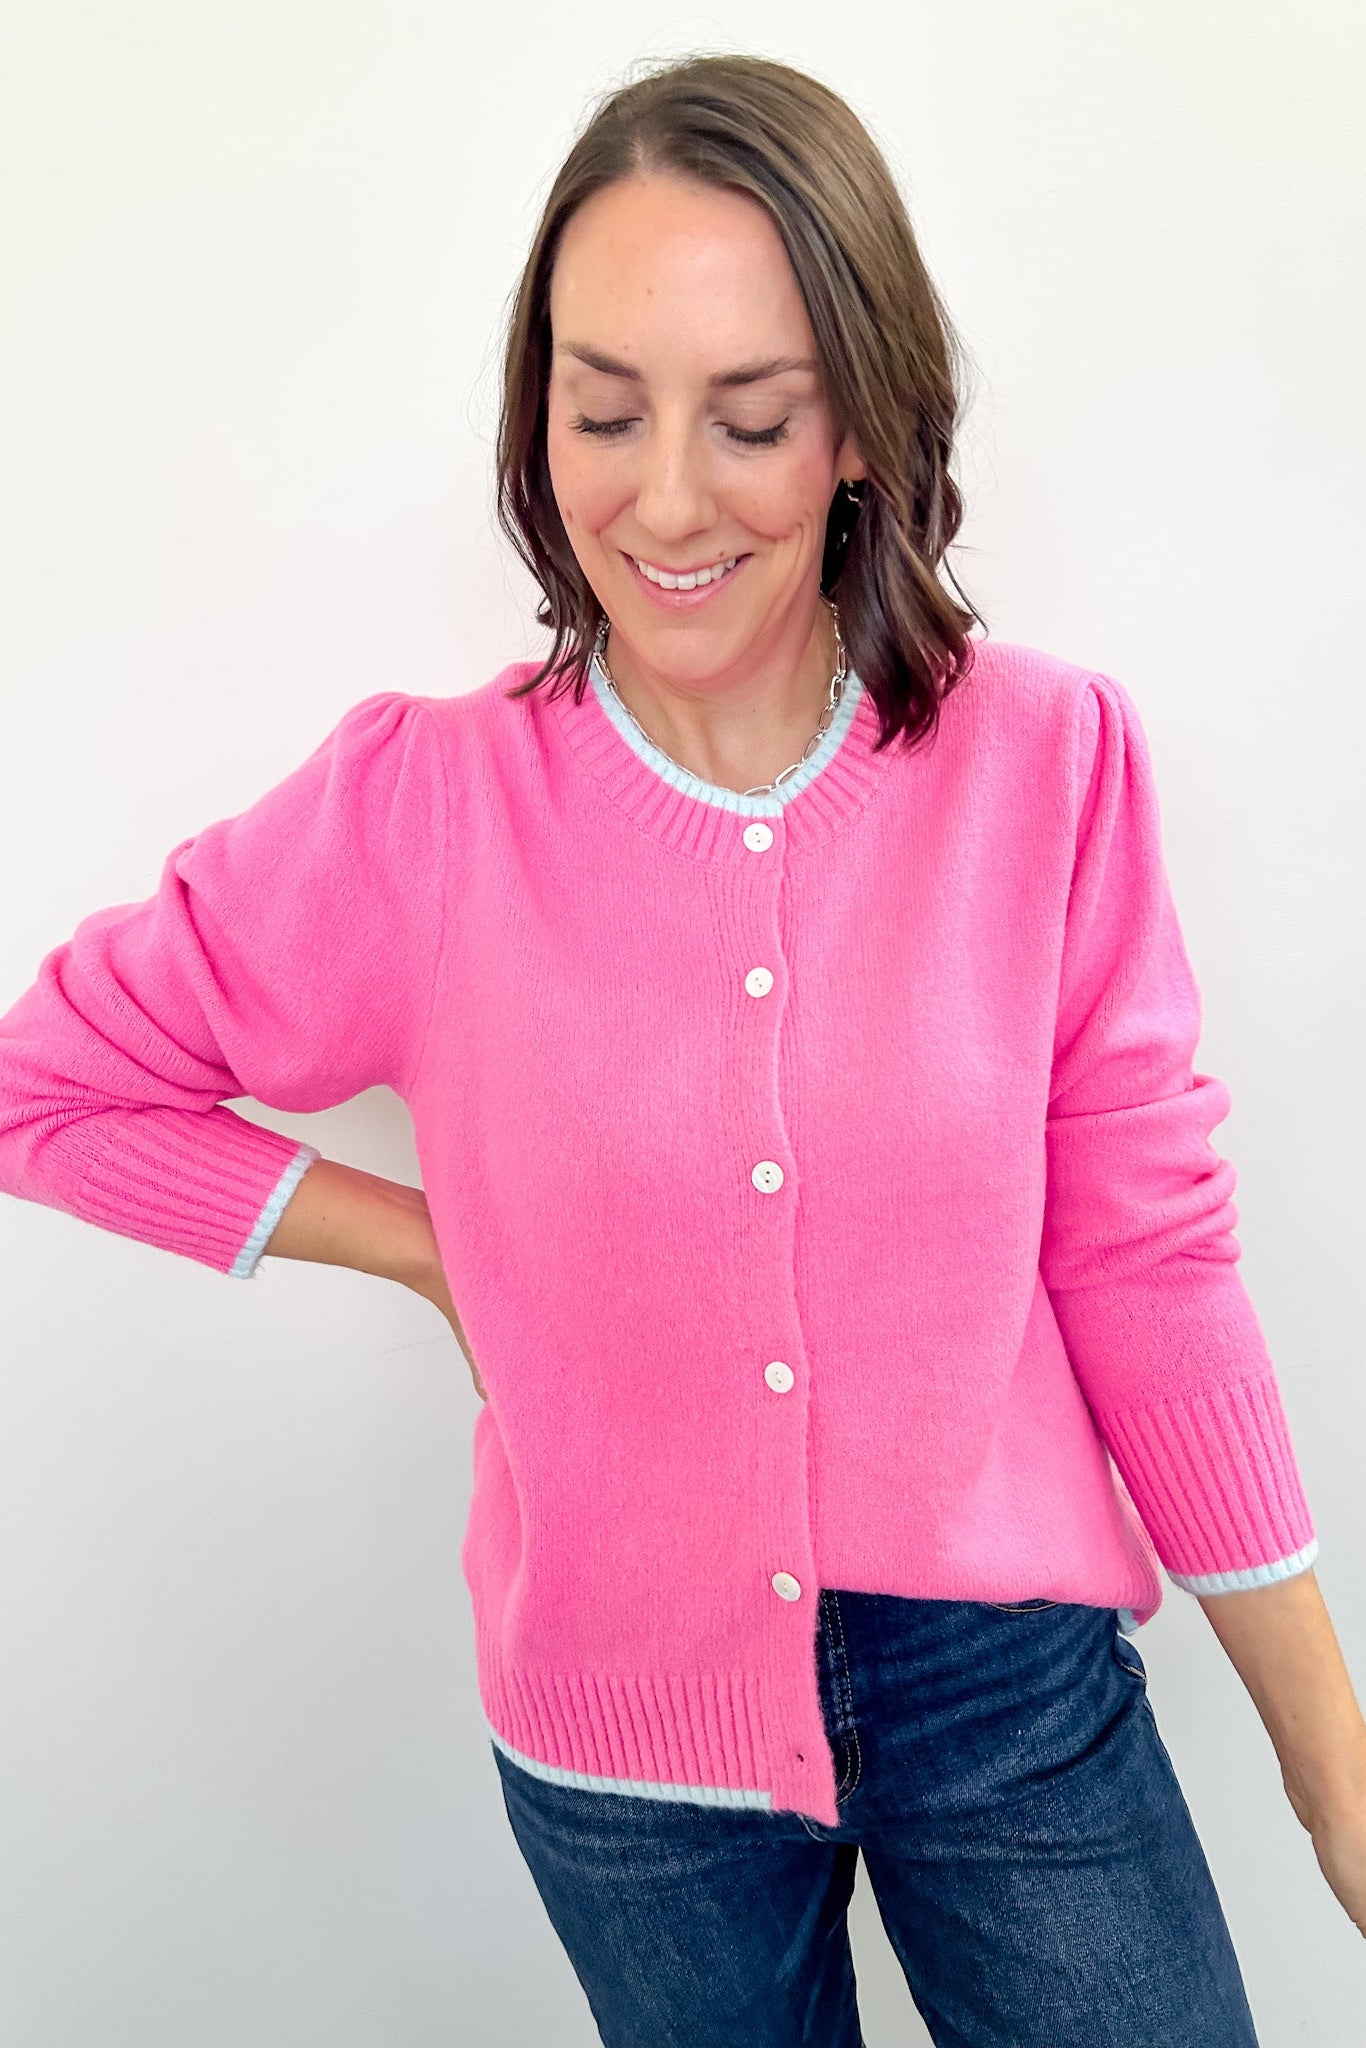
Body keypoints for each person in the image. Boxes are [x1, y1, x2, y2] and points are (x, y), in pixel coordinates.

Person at [1, 48, 1363, 2047]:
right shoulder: (421, 806)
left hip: (1011, 1691)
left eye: (745, 419)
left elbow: (1145, 1262)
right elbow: (49, 1082)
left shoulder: (1044, 765)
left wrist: (1325, 1759)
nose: (658, 498)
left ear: (861, 432)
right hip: (621, 1735)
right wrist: (416, 1237)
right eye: (598, 406)